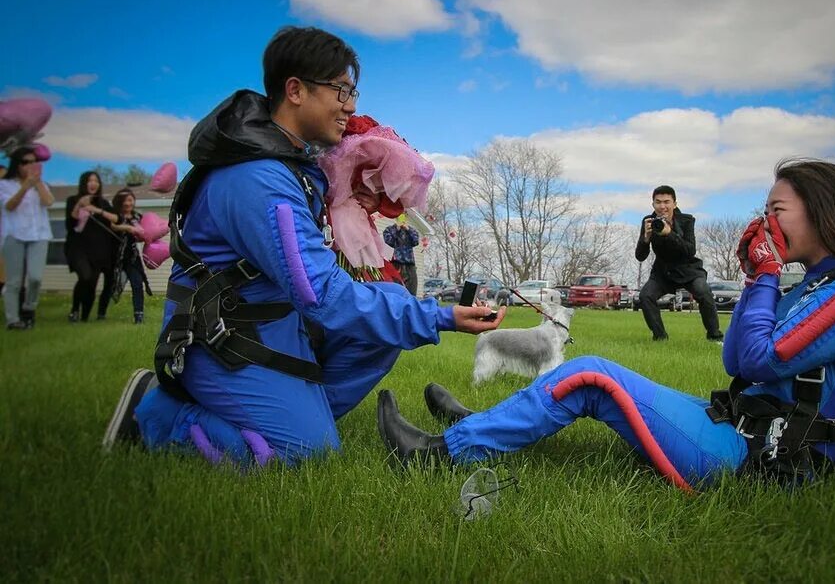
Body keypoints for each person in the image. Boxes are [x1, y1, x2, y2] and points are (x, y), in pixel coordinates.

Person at [102, 26, 505, 467]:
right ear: (295, 90)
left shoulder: (290, 165)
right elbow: (319, 292)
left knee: (388, 304)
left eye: (352, 91)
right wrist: (440, 316)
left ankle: (291, 416)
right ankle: (158, 414)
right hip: (221, 339)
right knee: (306, 453)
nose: (350, 106)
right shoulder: (259, 179)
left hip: (273, 325)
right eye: (341, 90)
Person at [377, 159, 835, 487]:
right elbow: (735, 361)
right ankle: (478, 426)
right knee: (589, 382)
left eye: (777, 210)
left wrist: (765, 275)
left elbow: (757, 359)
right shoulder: (821, 284)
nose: (763, 223)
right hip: (749, 427)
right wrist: (755, 279)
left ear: (821, 212)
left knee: (590, 375)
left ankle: (437, 454)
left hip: (768, 459)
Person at [635, 185, 724, 342]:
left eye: (667, 202)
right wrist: (646, 238)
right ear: (653, 204)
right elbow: (640, 256)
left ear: (674, 204)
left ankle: (715, 336)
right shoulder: (648, 221)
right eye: (658, 202)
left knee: (703, 292)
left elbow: (690, 250)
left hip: (689, 270)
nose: (662, 206)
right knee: (645, 296)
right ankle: (660, 337)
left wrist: (669, 234)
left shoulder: (686, 221)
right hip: (663, 272)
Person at [0, 147, 54, 330]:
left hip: (39, 235)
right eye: (25, 162)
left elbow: (48, 202)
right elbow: (9, 206)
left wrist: (37, 184)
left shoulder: (42, 185)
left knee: (35, 278)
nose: (30, 166)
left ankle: (29, 308)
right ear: (17, 165)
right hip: (13, 235)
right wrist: (25, 186)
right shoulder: (5, 185)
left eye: (33, 162)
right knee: (14, 281)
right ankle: (13, 320)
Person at [65, 171, 119, 322]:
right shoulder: (73, 200)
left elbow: (116, 218)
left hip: (98, 250)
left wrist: (97, 210)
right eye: (89, 181)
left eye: (96, 181)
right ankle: (75, 310)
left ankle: (84, 317)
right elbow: (70, 223)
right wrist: (80, 205)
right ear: (84, 183)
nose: (93, 183)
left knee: (92, 283)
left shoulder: (103, 203)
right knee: (85, 276)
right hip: (78, 248)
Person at [110, 188, 150, 324]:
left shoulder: (137, 217)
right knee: (111, 286)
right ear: (120, 202)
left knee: (137, 284)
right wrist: (128, 228)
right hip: (115, 256)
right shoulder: (115, 215)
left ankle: (139, 315)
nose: (128, 203)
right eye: (125, 200)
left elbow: (141, 236)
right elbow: (113, 226)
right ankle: (101, 313)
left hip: (132, 257)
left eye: (130, 200)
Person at [382, 215, 420, 295]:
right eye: (400, 216)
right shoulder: (389, 230)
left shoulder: (411, 230)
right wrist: (397, 229)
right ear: (396, 218)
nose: (402, 218)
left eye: (403, 216)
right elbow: (389, 242)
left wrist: (408, 229)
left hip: (409, 264)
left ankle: (411, 305)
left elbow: (416, 241)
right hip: (396, 263)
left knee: (412, 290)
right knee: (395, 288)